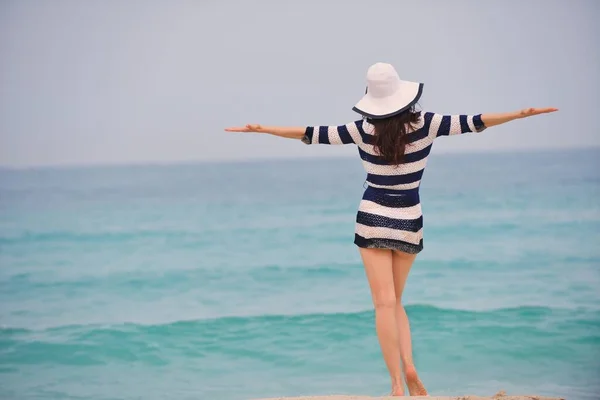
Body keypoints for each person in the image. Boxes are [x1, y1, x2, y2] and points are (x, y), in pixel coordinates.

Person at [224, 62, 558, 396]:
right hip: (409, 219)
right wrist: (518, 114)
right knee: (397, 301)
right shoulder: (428, 124)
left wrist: (264, 128)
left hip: (371, 217)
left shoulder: (360, 130)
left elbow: (311, 133)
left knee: (383, 303)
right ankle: (411, 366)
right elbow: (476, 122)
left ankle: (397, 383)